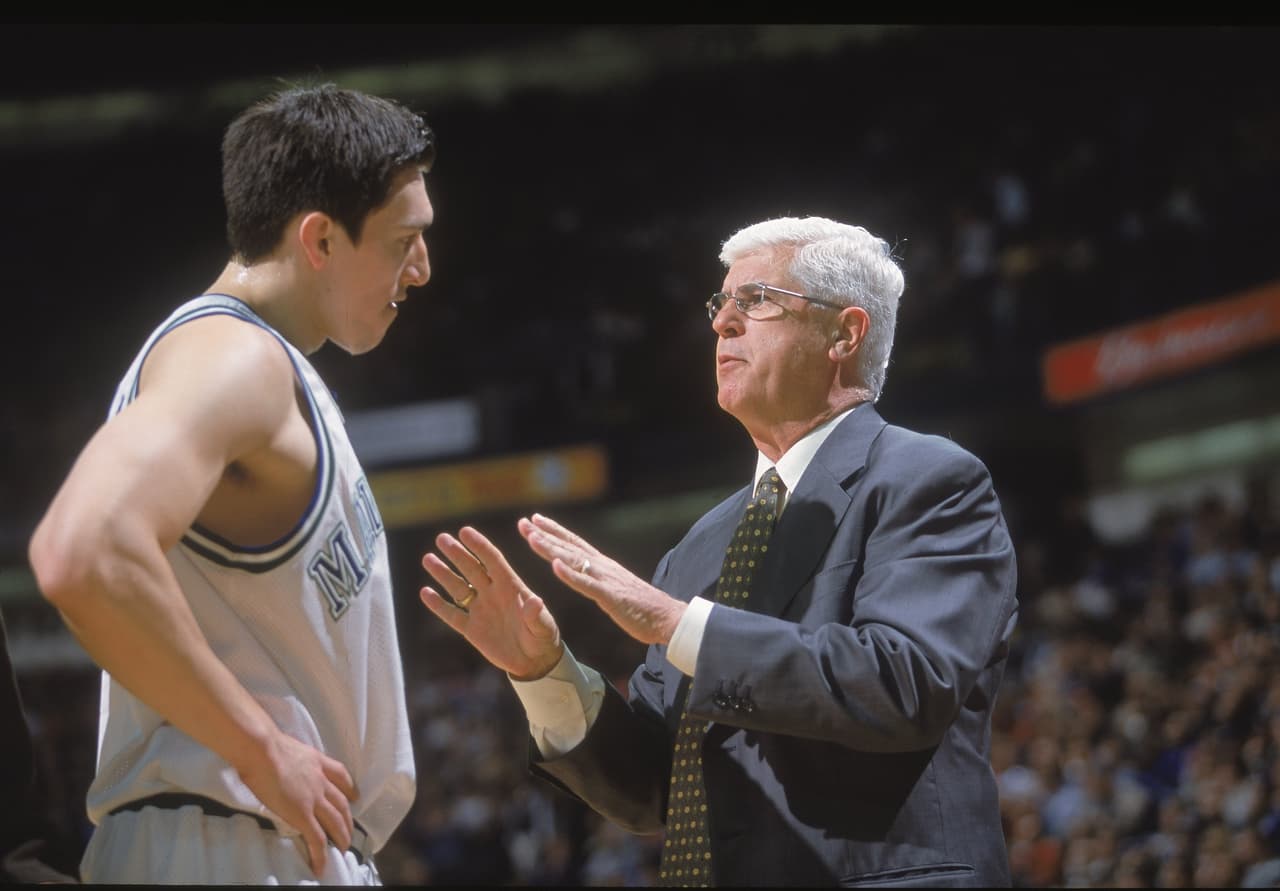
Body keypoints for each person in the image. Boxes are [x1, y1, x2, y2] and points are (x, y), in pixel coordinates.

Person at [420, 216, 1019, 886]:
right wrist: (543, 669)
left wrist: (677, 624)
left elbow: (906, 682)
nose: (722, 324)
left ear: (844, 333)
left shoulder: (926, 478)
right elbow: (648, 791)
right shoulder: (700, 544)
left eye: (755, 300)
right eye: (720, 303)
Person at [27, 83, 435, 884]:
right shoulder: (233, 356)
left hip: (267, 840)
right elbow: (81, 549)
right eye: (403, 240)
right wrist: (260, 746)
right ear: (319, 238)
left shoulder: (270, 367)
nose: (422, 268)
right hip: (228, 841)